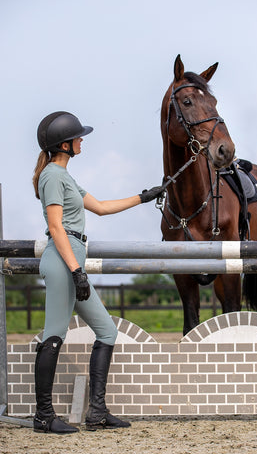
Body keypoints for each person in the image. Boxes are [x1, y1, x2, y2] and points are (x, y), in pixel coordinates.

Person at [32, 111, 163, 434]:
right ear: (64, 144)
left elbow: (102, 207)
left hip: (73, 258)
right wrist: (77, 271)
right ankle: (44, 416)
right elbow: (55, 227)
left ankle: (97, 412)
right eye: (78, 137)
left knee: (106, 330)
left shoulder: (66, 178)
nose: (81, 141)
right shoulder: (52, 175)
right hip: (64, 260)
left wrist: (143, 197)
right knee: (54, 336)